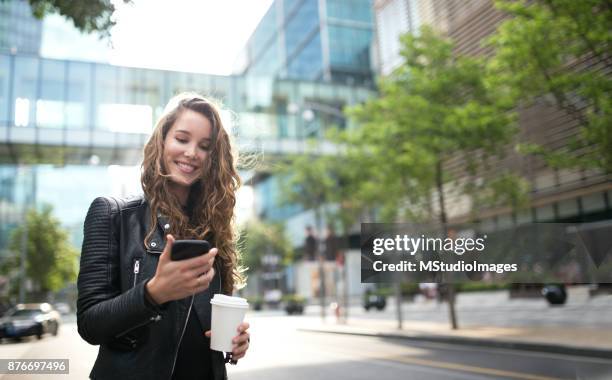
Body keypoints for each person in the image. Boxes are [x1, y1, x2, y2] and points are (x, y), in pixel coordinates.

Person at [77, 93, 250, 380]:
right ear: (162, 141)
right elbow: (90, 324)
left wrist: (235, 344)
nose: (192, 152)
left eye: (205, 146)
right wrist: (154, 292)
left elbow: (209, 326)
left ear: (213, 158)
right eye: (182, 139)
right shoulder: (113, 215)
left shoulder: (213, 230)